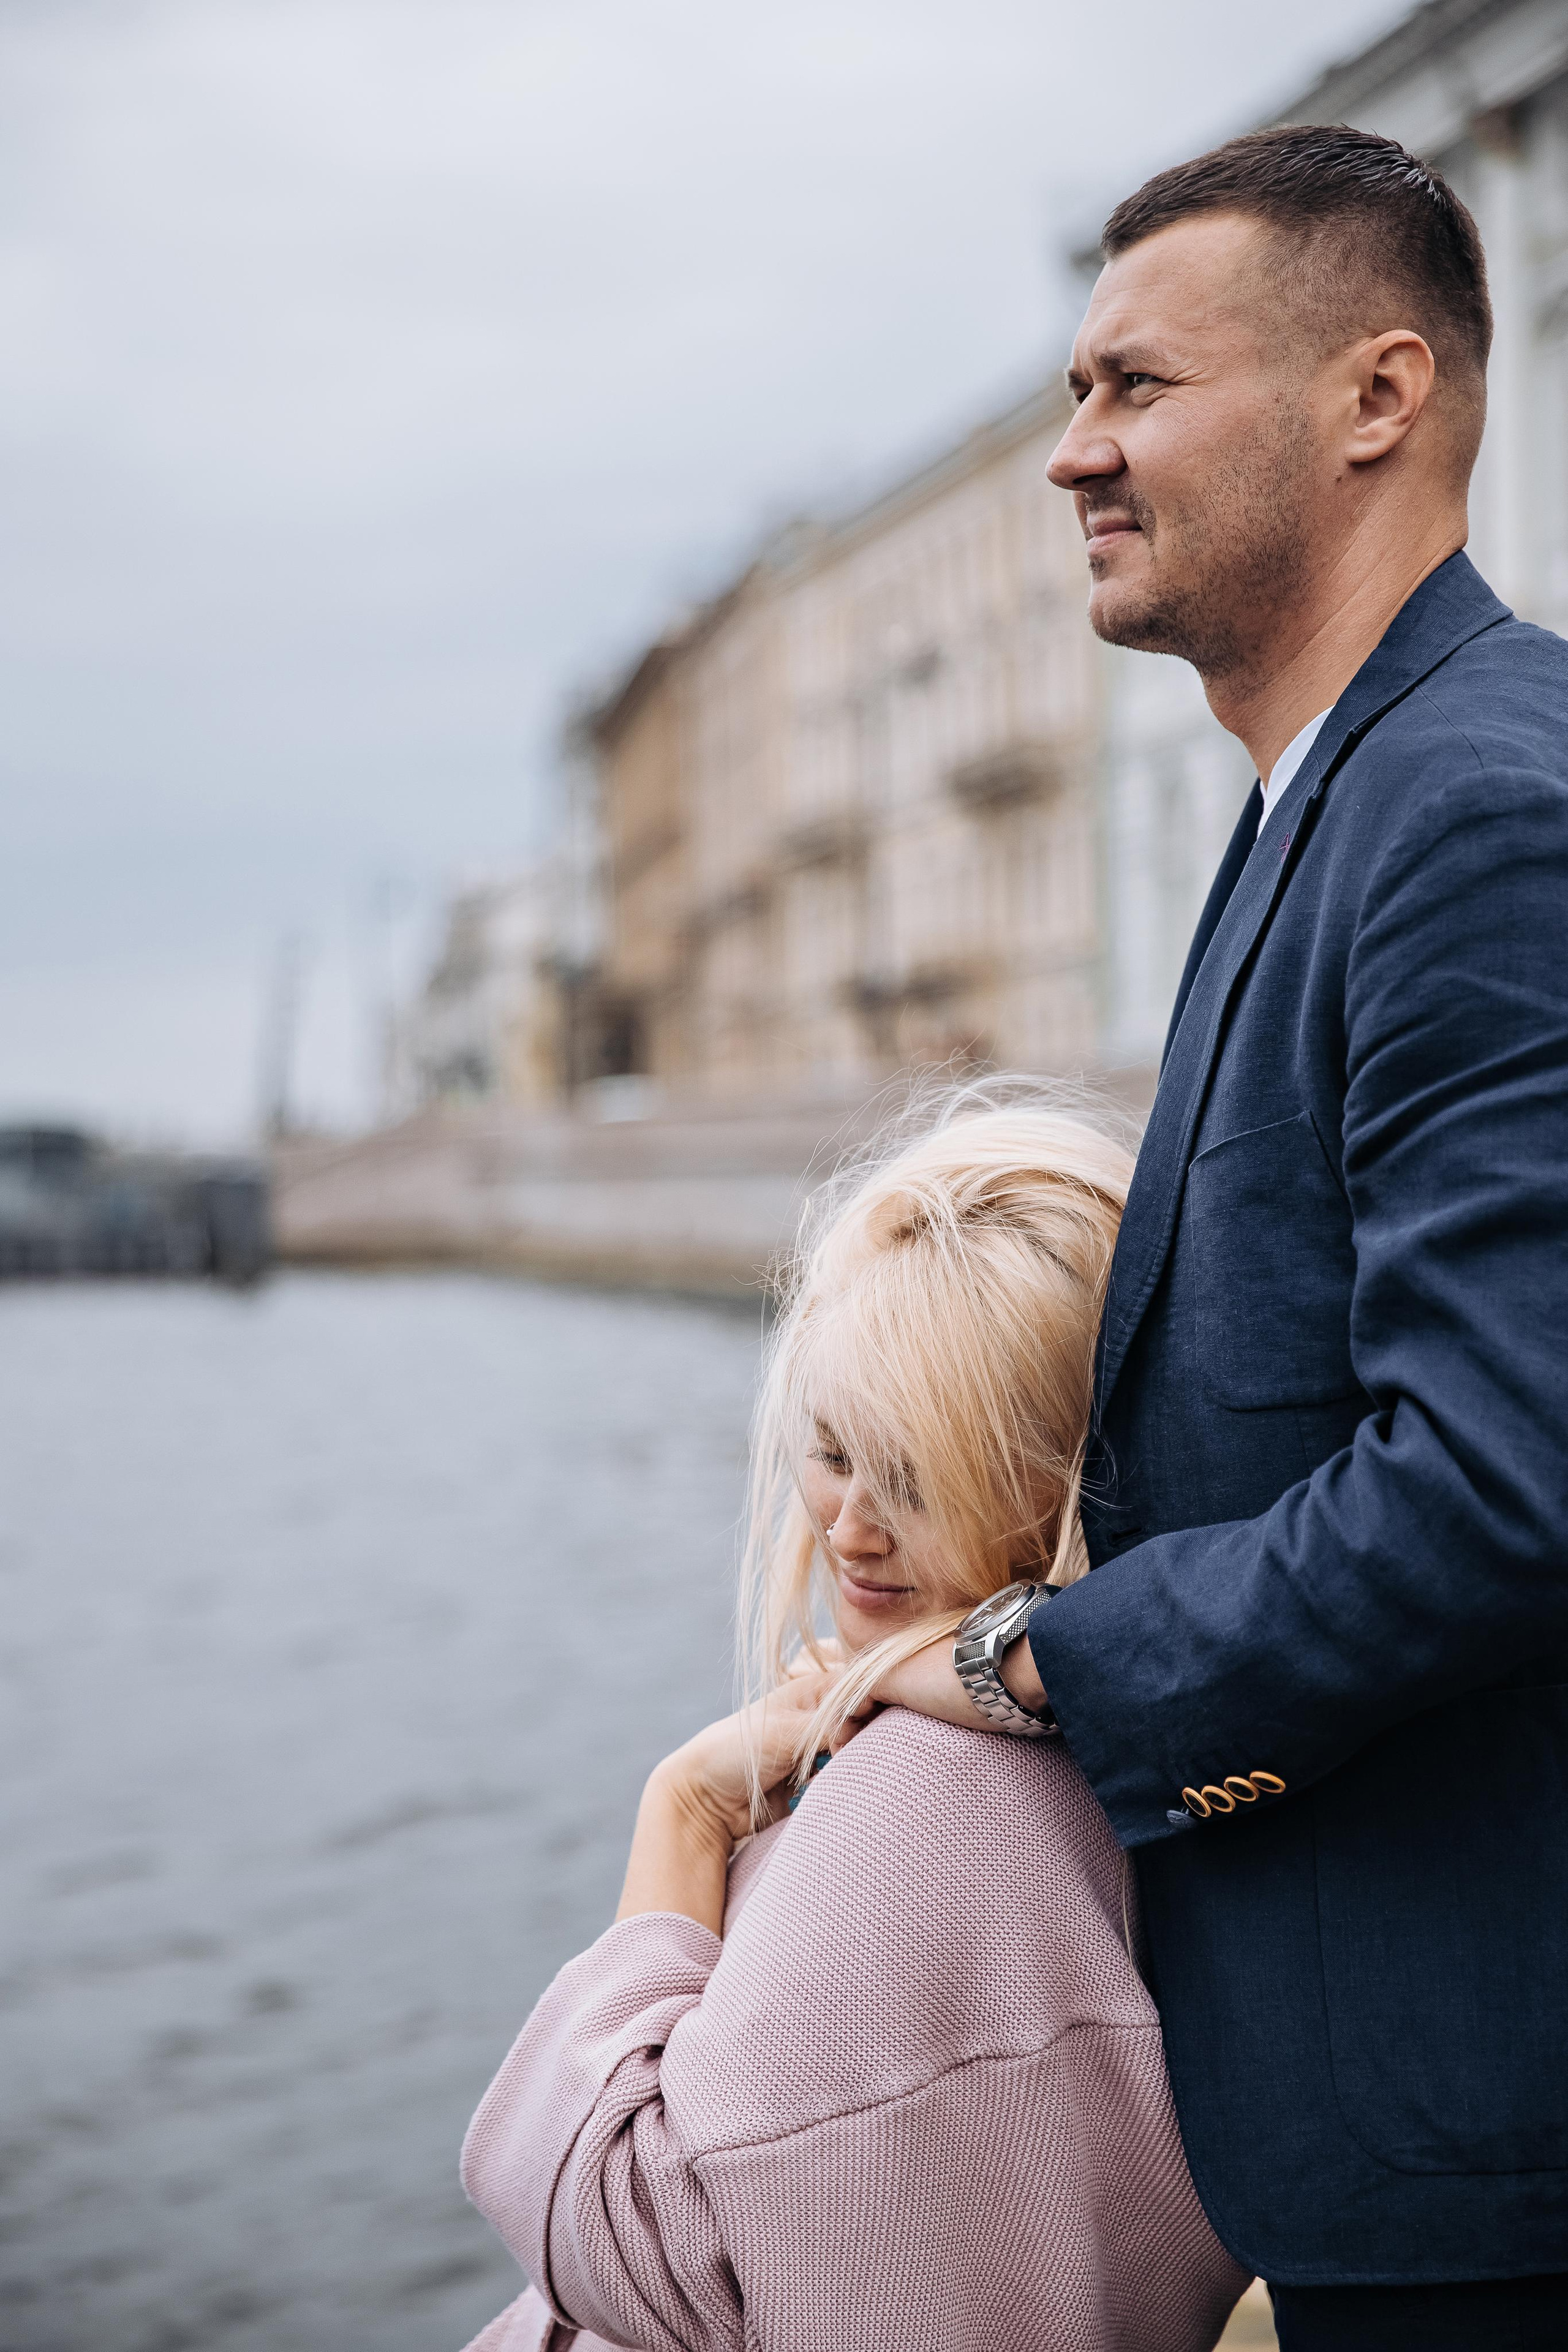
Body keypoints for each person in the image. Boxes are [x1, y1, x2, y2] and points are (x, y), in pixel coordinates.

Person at [859, 128, 1568, 2350]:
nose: (1075, 455)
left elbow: (1503, 1475)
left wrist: (1031, 1669)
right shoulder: (1334, 799)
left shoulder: (1475, 811)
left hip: (1488, 2171)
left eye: (1136, 390)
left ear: (1379, 396)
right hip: (1391, 2129)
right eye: (1076, 394)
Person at [458, 1101, 1249, 2352]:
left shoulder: (926, 1791)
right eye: (828, 1450)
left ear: (1062, 1476)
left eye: (918, 1475)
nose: (846, 1528)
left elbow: (627, 2239)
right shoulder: (1160, 1757)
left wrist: (684, 1812)